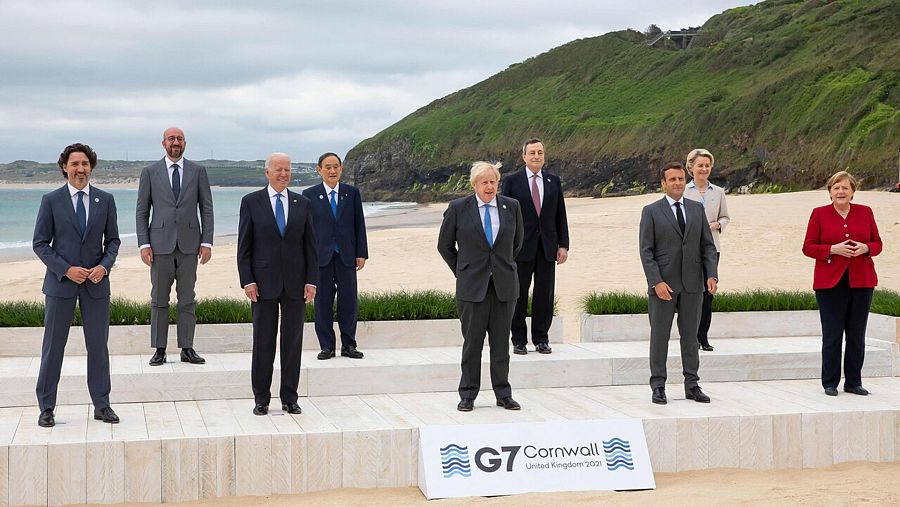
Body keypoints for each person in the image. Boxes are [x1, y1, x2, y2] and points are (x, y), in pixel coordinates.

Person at [33, 143, 120, 427]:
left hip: (96, 286)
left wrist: (103, 268)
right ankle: (46, 407)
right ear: (64, 168)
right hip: (60, 285)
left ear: (91, 167)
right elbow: (40, 244)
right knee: (53, 347)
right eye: (74, 164)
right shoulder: (51, 200)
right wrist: (66, 269)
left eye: (84, 164)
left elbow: (114, 242)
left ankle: (102, 405)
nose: (80, 169)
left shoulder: (105, 200)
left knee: (98, 347)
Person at [438, 161, 524, 412]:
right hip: (471, 287)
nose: (489, 186)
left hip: (504, 286)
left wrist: (500, 267)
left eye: (493, 182)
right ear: (474, 184)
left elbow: (516, 244)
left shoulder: (512, 207)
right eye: (484, 182)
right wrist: (462, 271)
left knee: (501, 344)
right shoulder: (458, 208)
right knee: (472, 344)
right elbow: (444, 246)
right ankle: (468, 394)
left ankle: (503, 393)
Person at [237, 153, 318, 415]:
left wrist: (312, 281)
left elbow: (311, 247)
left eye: (287, 169)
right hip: (262, 284)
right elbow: (244, 247)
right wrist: (247, 280)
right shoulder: (251, 202)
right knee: (263, 342)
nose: (284, 174)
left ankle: (290, 398)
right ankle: (261, 398)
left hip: (296, 284)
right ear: (267, 172)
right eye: (279, 169)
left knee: (292, 343)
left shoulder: (302, 203)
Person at [639, 162, 718, 405]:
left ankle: (692, 384)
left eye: (681, 179)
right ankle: (658, 385)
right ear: (663, 183)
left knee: (691, 337)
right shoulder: (651, 211)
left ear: (686, 181)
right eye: (672, 179)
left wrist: (711, 275)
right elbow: (646, 251)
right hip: (663, 286)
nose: (677, 183)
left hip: (693, 285)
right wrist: (656, 282)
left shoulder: (696, 209)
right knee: (659, 337)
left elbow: (707, 246)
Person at [136, 127, 214, 366]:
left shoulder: (198, 171)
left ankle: (187, 348)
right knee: (159, 299)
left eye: (180, 139)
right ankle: (159, 349)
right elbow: (142, 210)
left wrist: (207, 242)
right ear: (163, 143)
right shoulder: (150, 172)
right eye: (172, 139)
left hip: (190, 245)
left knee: (187, 299)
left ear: (185, 143)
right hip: (159, 246)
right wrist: (144, 244)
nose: (176, 142)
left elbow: (207, 208)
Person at [802, 171, 881, 397]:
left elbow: (877, 243)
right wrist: (832, 249)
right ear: (829, 192)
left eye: (845, 188)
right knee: (833, 335)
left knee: (857, 334)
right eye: (836, 188)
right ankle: (829, 382)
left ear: (853, 192)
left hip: (862, 281)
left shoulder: (865, 213)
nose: (841, 192)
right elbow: (808, 247)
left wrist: (866, 248)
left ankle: (853, 382)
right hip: (830, 284)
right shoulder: (819, 214)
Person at [500, 138, 569, 355]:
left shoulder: (553, 181)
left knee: (544, 294)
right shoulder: (512, 181)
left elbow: (560, 215)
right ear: (524, 156)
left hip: (548, 247)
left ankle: (541, 338)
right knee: (518, 294)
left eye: (540, 152)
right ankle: (518, 339)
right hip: (520, 248)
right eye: (532, 153)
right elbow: (505, 216)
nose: (536, 156)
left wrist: (564, 245)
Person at [301, 152, 368, 360]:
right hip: (321, 257)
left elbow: (359, 224)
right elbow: (305, 230)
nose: (332, 171)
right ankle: (326, 346)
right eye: (328, 167)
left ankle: (349, 344)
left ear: (341, 169)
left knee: (348, 302)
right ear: (319, 170)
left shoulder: (351, 193)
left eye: (336, 166)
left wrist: (361, 253)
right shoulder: (309, 195)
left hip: (346, 256)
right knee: (322, 303)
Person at [683, 149, 730, 352]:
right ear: (691, 167)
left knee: (708, 294)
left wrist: (718, 225)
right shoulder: (683, 191)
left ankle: (703, 338)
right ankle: (690, 338)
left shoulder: (718, 192)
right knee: (691, 294)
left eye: (707, 165)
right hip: (688, 251)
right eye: (700, 165)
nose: (704, 169)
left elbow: (725, 217)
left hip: (712, 249)